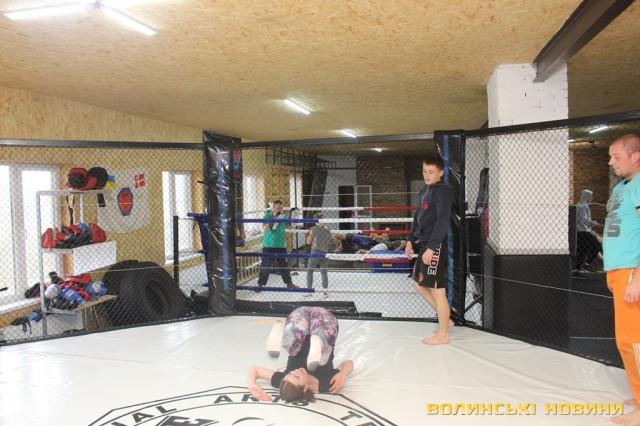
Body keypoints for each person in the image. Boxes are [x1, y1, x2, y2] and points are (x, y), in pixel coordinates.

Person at [603, 134, 640, 426]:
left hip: (631, 270)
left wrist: (637, 277)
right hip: (618, 270)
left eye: (616, 157)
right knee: (626, 339)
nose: (611, 162)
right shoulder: (623, 186)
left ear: (636, 156)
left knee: (632, 340)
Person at [247, 306, 354, 403]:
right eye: (297, 377)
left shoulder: (286, 381)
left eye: (290, 374)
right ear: (305, 388)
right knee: (324, 345)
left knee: (294, 346)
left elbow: (255, 369)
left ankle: (285, 337)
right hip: (323, 317)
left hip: (301, 315)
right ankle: (319, 342)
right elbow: (349, 363)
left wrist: (251, 384)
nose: (295, 371)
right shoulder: (325, 384)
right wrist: (343, 373)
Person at [405, 157, 454, 345]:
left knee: (437, 290)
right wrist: (410, 240)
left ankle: (443, 334)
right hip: (425, 244)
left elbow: (442, 221)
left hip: (435, 245)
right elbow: (418, 216)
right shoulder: (424, 191)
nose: (427, 175)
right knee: (419, 285)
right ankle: (446, 320)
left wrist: (432, 247)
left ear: (441, 173)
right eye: (425, 171)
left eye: (431, 172)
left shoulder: (443, 192)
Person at [257, 200, 298, 291]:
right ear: (273, 207)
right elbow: (265, 229)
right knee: (265, 265)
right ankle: (260, 285)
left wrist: (294, 217)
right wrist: (273, 218)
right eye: (278, 208)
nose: (280, 210)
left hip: (281, 245)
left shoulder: (283, 216)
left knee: (284, 265)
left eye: (281, 208)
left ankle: (289, 283)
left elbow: (290, 225)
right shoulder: (267, 216)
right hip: (269, 245)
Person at [574, 189, 603, 272]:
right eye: (591, 196)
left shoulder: (581, 205)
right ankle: (587, 264)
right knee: (597, 246)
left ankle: (578, 268)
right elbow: (583, 219)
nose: (592, 198)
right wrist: (594, 224)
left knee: (582, 249)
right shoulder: (582, 206)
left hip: (581, 231)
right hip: (583, 231)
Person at [305, 213, 331, 298]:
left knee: (309, 271)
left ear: (315, 220)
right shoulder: (328, 229)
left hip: (315, 252)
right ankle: (325, 293)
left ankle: (309, 292)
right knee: (324, 272)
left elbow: (308, 242)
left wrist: (308, 236)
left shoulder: (313, 229)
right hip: (325, 252)